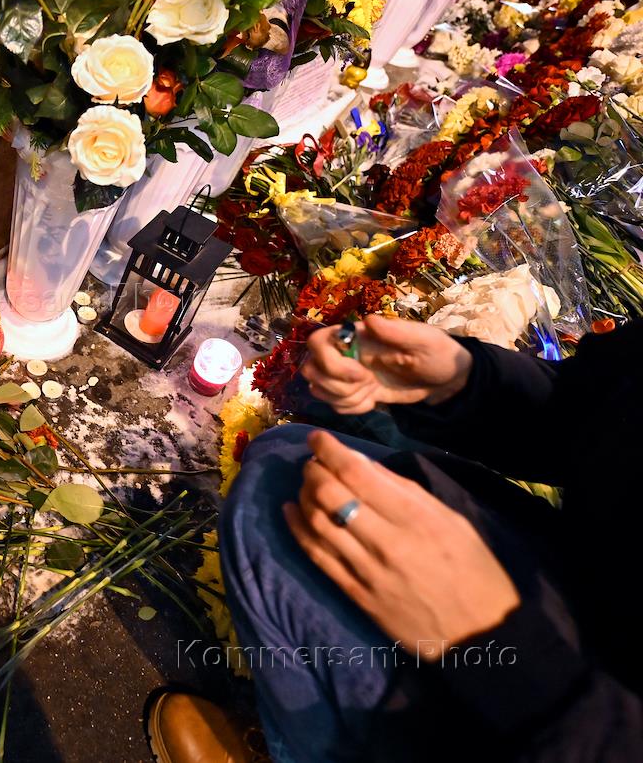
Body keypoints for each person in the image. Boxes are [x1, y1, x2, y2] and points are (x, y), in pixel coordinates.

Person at [148, 316, 642, 762]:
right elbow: (590, 405)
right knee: (282, 478)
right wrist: (465, 380)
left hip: (577, 710)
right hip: (582, 572)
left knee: (276, 526)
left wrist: (500, 642)